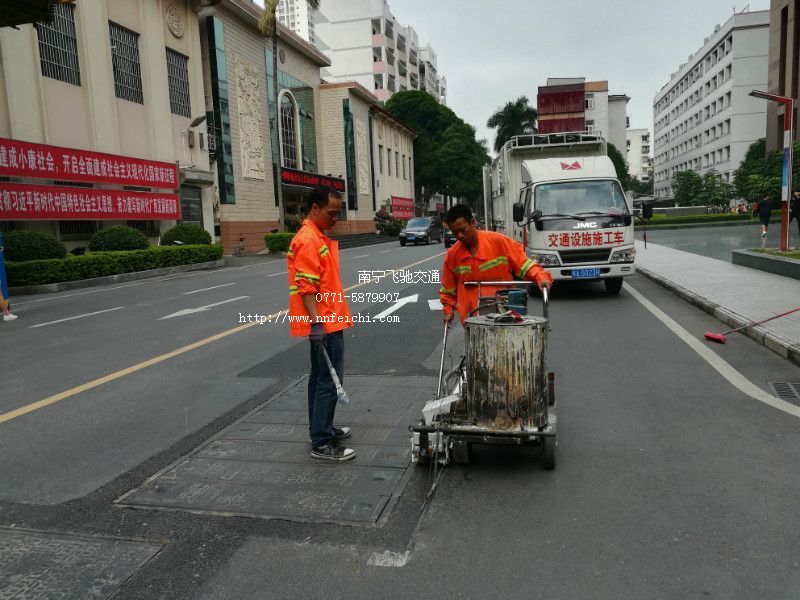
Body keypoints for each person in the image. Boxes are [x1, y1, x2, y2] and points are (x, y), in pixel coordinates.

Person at [287, 186, 355, 461]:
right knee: (328, 380)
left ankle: (322, 428)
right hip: (324, 323)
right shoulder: (308, 239)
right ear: (315, 208)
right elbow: (306, 286)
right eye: (331, 213)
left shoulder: (316, 236)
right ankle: (322, 442)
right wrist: (317, 325)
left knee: (319, 378)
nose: (334, 218)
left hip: (328, 320)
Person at [439, 204, 554, 325]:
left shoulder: (498, 242)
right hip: (472, 320)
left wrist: (540, 276)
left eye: (462, 230)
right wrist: (448, 310)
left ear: (473, 222)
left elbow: (523, 263)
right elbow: (448, 291)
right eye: (455, 232)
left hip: (505, 312)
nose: (459, 236)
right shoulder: (453, 255)